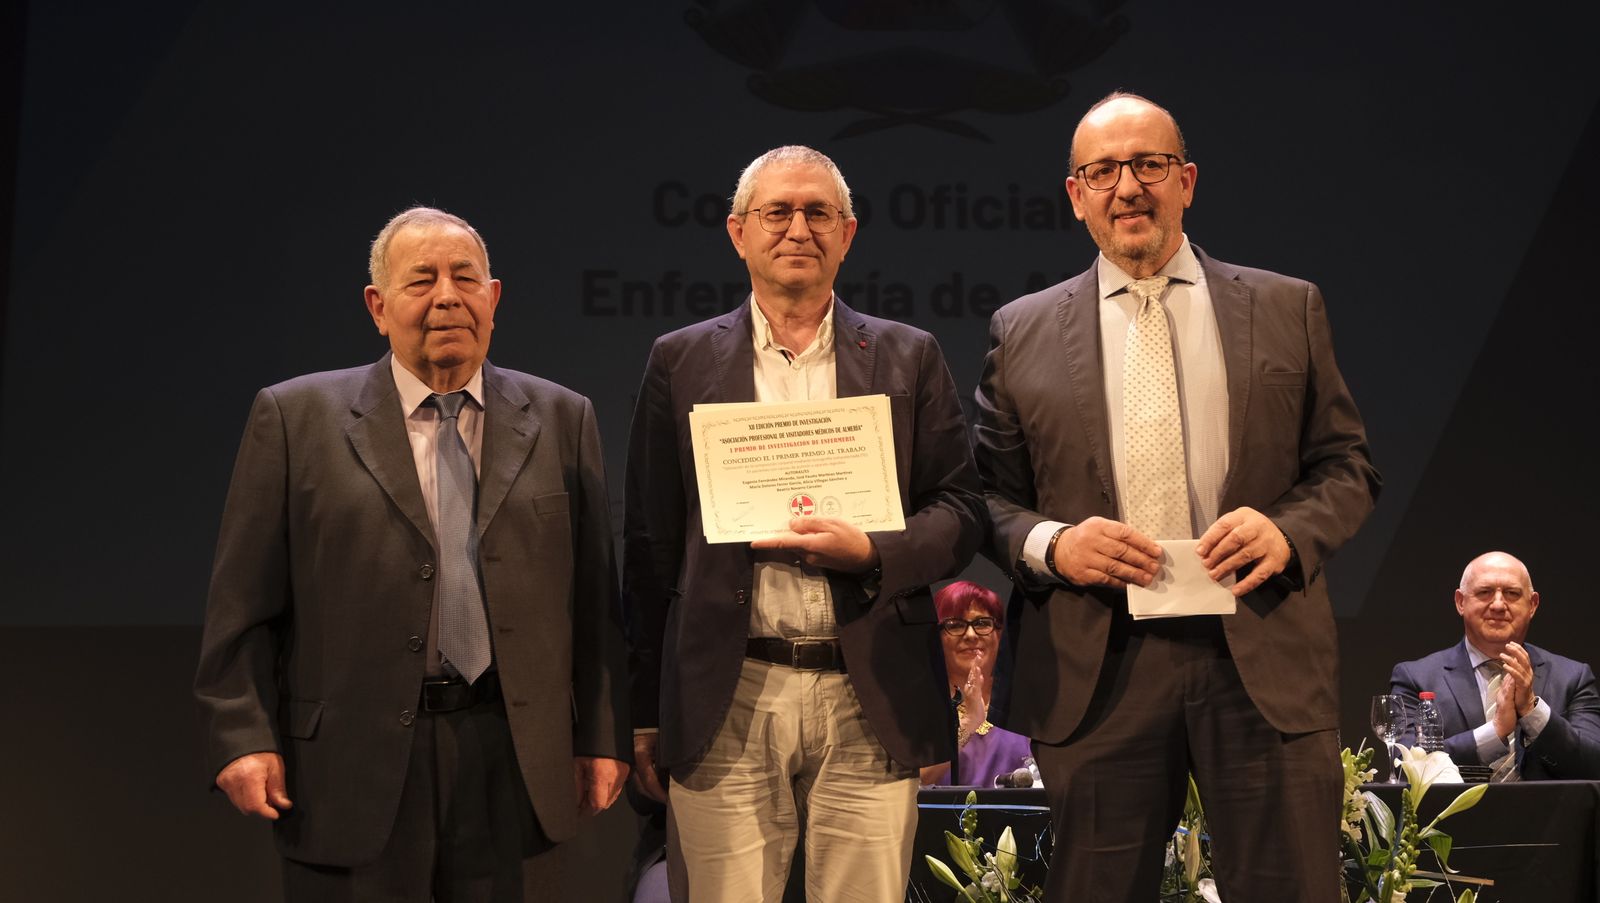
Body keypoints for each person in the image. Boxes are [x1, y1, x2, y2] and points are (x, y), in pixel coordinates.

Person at [973, 92, 1381, 901]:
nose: (1128, 186)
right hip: (1101, 665)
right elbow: (984, 499)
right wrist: (1055, 544)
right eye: (1103, 170)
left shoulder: (1285, 306)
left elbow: (1348, 466)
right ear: (1076, 194)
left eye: (1148, 164)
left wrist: (1287, 531)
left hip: (1258, 652)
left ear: (1186, 180)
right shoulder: (1019, 331)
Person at [194, 207, 631, 900]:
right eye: (421, 280)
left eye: (465, 278)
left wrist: (604, 734)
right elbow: (241, 605)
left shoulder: (561, 417)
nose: (447, 296)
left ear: (494, 298)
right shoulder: (293, 417)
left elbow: (594, 603)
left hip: (512, 758)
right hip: (348, 764)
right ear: (378, 305)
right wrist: (243, 735)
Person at [624, 145, 984, 903]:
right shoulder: (679, 360)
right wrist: (643, 714)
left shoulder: (907, 356)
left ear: (848, 234)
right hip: (728, 690)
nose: (798, 228)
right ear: (737, 232)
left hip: (868, 688)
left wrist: (874, 551)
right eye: (776, 212)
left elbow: (961, 512)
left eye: (818, 212)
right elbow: (652, 548)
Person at [1390, 551, 1600, 780]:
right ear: (1461, 602)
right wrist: (1495, 731)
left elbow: (1593, 765)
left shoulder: (1573, 678)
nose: (1498, 605)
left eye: (1511, 593)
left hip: (1549, 815)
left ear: (1532, 605)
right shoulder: (1415, 678)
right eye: (1484, 592)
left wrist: (1532, 711)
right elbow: (1404, 769)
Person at [920, 581, 1035, 788]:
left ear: (1000, 634)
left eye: (982, 623)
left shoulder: (1024, 701)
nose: (971, 635)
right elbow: (917, 779)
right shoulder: (921, 704)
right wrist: (969, 723)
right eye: (955, 625)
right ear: (936, 637)